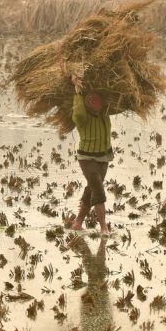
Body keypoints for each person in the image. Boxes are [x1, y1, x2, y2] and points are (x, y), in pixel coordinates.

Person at [59, 56, 121, 235]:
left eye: (99, 104)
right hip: (87, 158)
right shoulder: (82, 118)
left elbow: (118, 103)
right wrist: (77, 90)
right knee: (99, 191)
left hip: (104, 157)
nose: (97, 107)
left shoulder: (105, 114)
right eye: (93, 105)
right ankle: (104, 227)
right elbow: (77, 110)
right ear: (88, 105)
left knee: (91, 189)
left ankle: (77, 223)